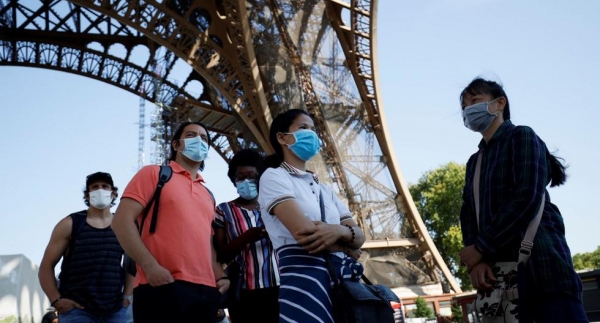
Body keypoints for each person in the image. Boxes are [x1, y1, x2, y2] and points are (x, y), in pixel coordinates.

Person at [457, 78, 587, 322]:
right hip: (499, 280)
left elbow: (526, 195)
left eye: (475, 101)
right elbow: (468, 214)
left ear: (499, 103)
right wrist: (477, 263)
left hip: (543, 268)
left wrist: (481, 247)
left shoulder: (521, 136)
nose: (468, 110)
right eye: (464, 106)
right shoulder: (474, 163)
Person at [112, 121, 229, 322]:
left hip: (206, 291)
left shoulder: (207, 194)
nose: (199, 141)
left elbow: (206, 244)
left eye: (204, 138)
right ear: (176, 145)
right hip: (161, 284)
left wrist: (221, 276)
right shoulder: (154, 174)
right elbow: (121, 221)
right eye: (192, 135)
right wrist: (150, 267)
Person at [258, 109, 365, 323]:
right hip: (304, 283)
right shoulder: (273, 177)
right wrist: (347, 244)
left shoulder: (325, 189)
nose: (312, 134)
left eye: (314, 130)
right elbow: (306, 235)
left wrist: (337, 231)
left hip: (341, 283)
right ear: (282, 137)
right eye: (303, 128)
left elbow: (361, 237)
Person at [39, 172, 133, 323]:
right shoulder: (70, 224)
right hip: (77, 311)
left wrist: (127, 297)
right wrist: (56, 300)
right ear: (88, 195)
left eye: (105, 186)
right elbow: (46, 266)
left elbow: (131, 264)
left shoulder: (122, 226)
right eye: (95, 187)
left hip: (115, 310)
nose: (100, 190)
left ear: (113, 193)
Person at [213, 149, 280, 323]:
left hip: (283, 287)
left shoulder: (278, 205)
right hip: (244, 293)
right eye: (240, 177)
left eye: (251, 176)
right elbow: (219, 254)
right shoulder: (223, 210)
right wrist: (245, 238)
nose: (245, 181)